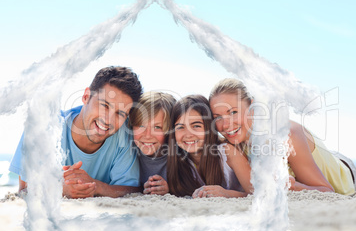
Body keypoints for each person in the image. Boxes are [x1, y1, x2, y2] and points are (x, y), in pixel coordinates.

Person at [209, 78, 356, 195]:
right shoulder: (235, 143)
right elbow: (258, 192)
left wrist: (294, 186)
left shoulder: (286, 135)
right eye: (218, 117)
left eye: (233, 112)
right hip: (319, 157)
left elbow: (327, 191)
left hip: (346, 175)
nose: (226, 124)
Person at [9, 66, 143, 198]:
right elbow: (24, 190)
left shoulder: (124, 136)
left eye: (120, 113)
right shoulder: (42, 127)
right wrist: (60, 189)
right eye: (104, 106)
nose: (108, 120)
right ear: (86, 96)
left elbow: (132, 189)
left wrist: (96, 186)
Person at [167, 95, 252, 198]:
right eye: (180, 127)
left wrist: (227, 194)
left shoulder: (227, 152)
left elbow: (256, 193)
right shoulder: (179, 159)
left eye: (196, 126)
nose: (188, 134)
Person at [129, 91, 176, 195]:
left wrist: (171, 189)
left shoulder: (179, 154)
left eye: (157, 127)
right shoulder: (127, 151)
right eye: (141, 125)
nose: (147, 135)